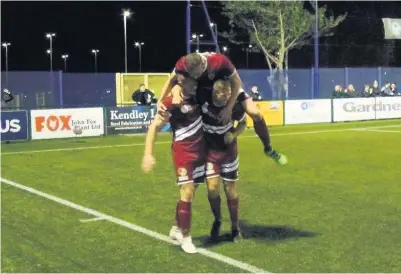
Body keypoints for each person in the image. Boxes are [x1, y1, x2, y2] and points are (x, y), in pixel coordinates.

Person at [199, 80, 287, 243]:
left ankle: (234, 227)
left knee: (230, 189)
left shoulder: (236, 106)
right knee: (212, 190)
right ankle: (217, 220)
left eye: (227, 93)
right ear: (213, 91)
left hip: (229, 152)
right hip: (210, 152)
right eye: (220, 92)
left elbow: (243, 123)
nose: (224, 95)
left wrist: (233, 135)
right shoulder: (203, 100)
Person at [141, 82, 204, 254]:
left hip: (201, 152)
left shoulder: (201, 96)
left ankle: (176, 228)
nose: (196, 83)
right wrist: (148, 154)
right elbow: (154, 127)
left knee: (191, 192)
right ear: (182, 81)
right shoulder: (171, 103)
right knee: (187, 190)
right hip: (183, 153)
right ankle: (186, 237)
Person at [157, 52, 242, 124]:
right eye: (192, 74)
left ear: (203, 63)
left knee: (254, 113)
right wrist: (160, 101)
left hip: (224, 87)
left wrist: (229, 108)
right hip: (201, 89)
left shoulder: (219, 61)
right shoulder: (182, 64)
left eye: (196, 74)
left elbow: (237, 82)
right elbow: (172, 81)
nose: (195, 76)